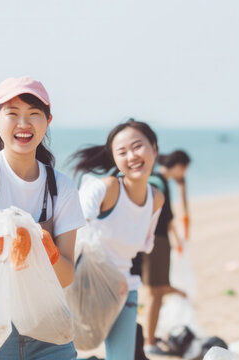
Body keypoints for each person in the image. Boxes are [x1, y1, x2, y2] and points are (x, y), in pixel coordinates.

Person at [0, 77, 85, 359]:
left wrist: (45, 250)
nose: (23, 123)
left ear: (47, 122)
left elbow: (66, 275)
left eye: (34, 114)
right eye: (12, 114)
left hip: (50, 329)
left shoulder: (61, 187)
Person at [71, 119, 164, 360]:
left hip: (125, 289)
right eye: (122, 152)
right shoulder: (108, 188)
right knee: (60, 350)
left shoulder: (156, 199)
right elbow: (71, 221)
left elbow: (146, 243)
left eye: (137, 146)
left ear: (154, 148)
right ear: (115, 160)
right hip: (84, 285)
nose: (132, 156)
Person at [140, 150, 190, 355]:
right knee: (156, 291)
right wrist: (177, 240)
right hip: (156, 240)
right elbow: (167, 217)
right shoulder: (159, 181)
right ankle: (149, 342)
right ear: (179, 165)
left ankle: (149, 338)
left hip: (152, 239)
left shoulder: (155, 179)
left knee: (155, 290)